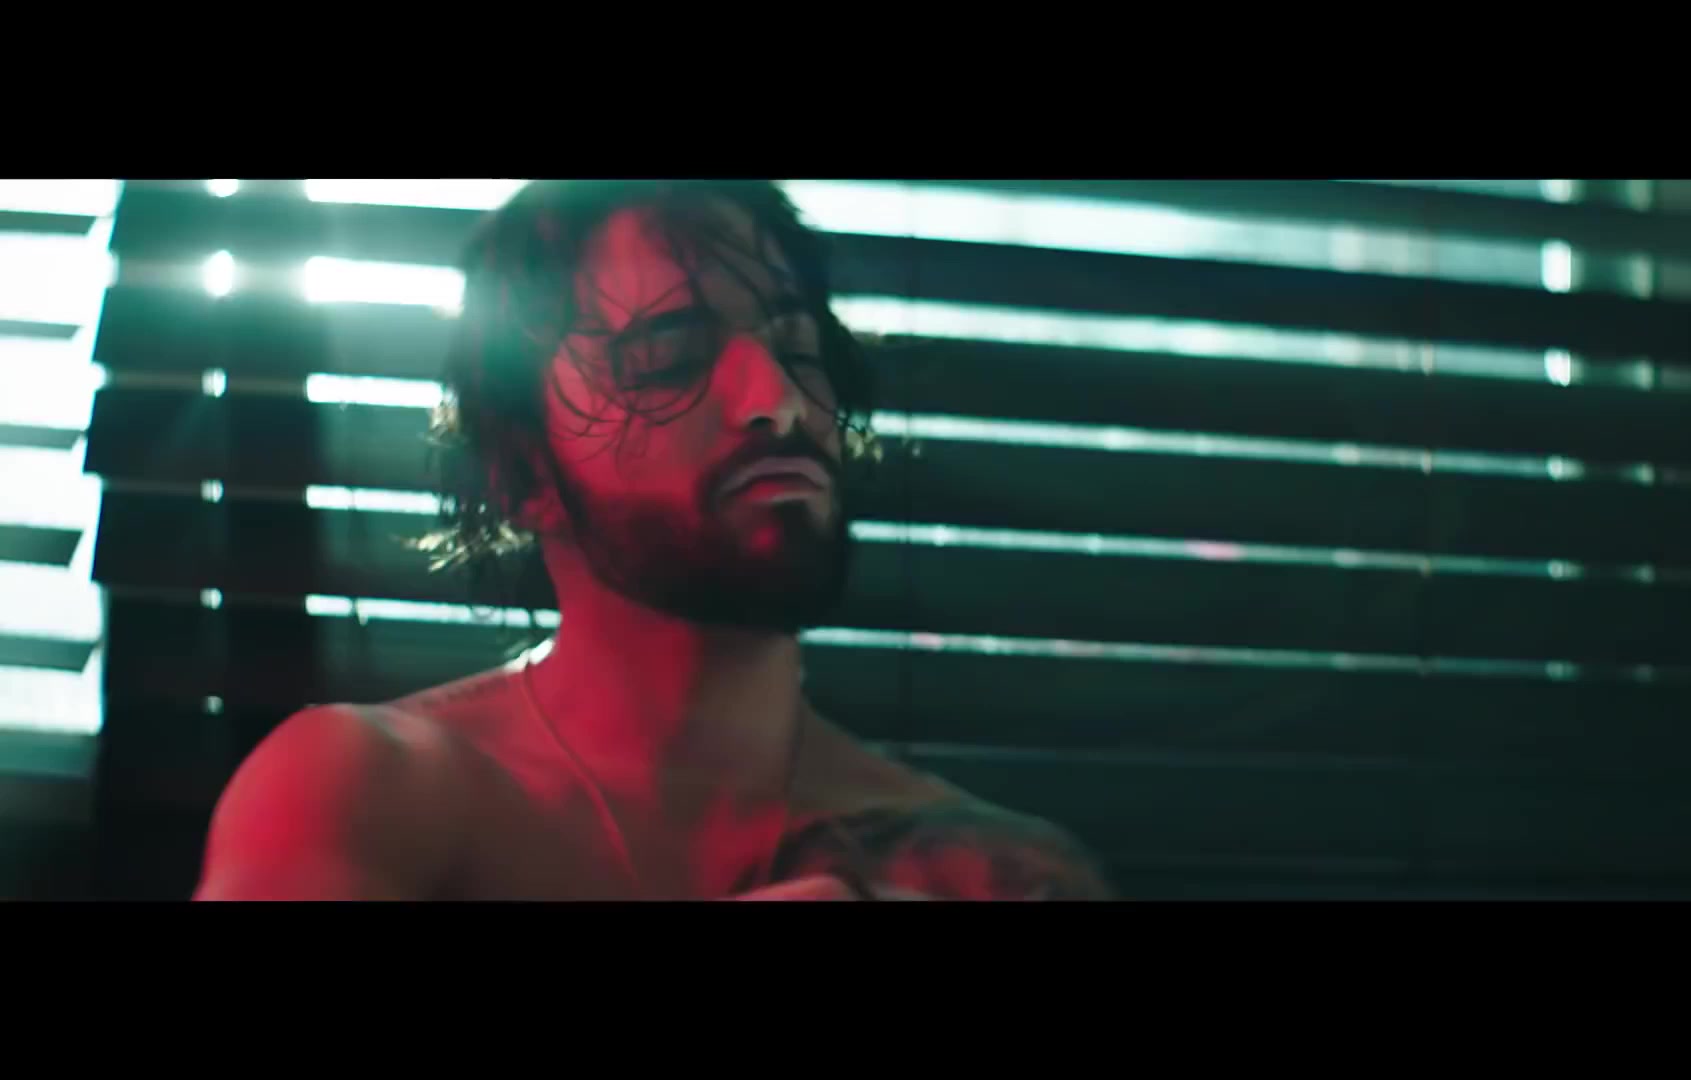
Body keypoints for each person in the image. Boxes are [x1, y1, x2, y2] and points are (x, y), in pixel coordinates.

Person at [193, 180, 1113, 901]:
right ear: (523, 476)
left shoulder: (992, 872)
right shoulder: (367, 792)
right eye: (669, 362)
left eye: (798, 350)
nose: (778, 402)